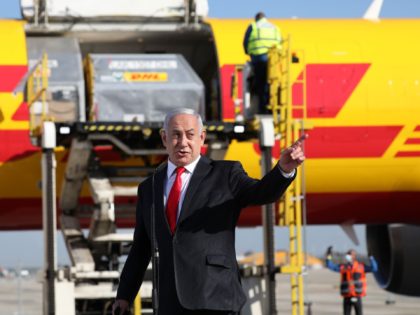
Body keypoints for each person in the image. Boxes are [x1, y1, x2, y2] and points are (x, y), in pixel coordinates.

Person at [113, 108, 307, 315]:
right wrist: (124, 296)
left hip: (215, 297)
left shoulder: (226, 174)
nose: (183, 142)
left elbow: (260, 193)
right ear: (164, 138)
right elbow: (141, 248)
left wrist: (283, 170)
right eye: (176, 135)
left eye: (190, 135)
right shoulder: (149, 187)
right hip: (169, 301)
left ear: (202, 137)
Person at [243, 12, 282, 114]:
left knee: (260, 83)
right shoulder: (274, 27)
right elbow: (280, 42)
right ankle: (273, 109)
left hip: (258, 57)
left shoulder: (253, 26)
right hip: (273, 59)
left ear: (256, 18)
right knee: (272, 83)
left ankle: (262, 109)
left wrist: (248, 52)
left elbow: (246, 42)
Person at [326, 247, 378, 315]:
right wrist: (329, 256)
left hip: (357, 295)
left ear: (354, 256)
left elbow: (374, 268)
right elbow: (330, 266)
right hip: (347, 296)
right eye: (348, 254)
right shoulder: (343, 267)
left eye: (350, 254)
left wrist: (371, 257)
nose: (348, 255)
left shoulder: (361, 266)